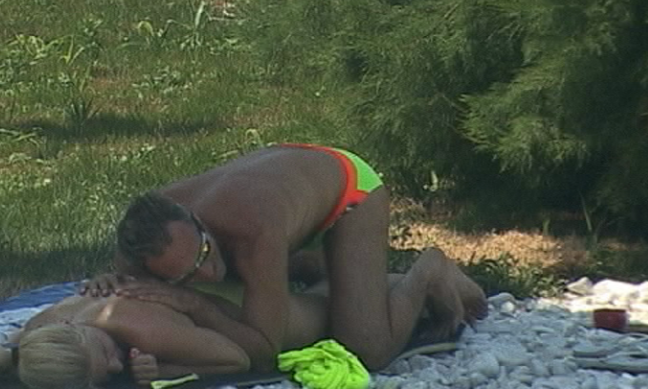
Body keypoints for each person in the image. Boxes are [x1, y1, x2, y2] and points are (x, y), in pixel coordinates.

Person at [82, 143, 488, 371]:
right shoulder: (146, 232)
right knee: (247, 273)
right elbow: (123, 279)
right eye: (186, 275)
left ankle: (429, 271)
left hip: (349, 189)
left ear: (197, 220)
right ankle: (339, 274)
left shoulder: (254, 233)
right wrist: (106, 281)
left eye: (204, 253)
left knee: (366, 347)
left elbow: (264, 350)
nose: (208, 273)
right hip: (286, 177)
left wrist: (194, 302)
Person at [0, 280, 329, 389]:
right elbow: (16, 349)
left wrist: (165, 371)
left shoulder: (142, 330)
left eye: (106, 354)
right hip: (194, 279)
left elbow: (239, 359)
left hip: (236, 301)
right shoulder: (42, 329)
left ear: (75, 328)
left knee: (330, 309)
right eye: (107, 375)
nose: (117, 365)